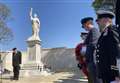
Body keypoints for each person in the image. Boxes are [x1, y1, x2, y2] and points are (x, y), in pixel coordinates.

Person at [95, 10, 120, 83]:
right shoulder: (103, 34)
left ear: (106, 20)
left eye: (98, 20)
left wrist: (117, 74)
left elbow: (116, 54)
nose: (97, 23)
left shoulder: (112, 30)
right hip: (105, 73)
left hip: (112, 75)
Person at [81, 17, 100, 83]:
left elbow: (93, 45)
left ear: (87, 23)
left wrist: (85, 55)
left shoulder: (94, 30)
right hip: (90, 61)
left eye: (83, 26)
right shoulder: (90, 32)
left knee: (96, 80)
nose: (84, 28)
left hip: (93, 60)